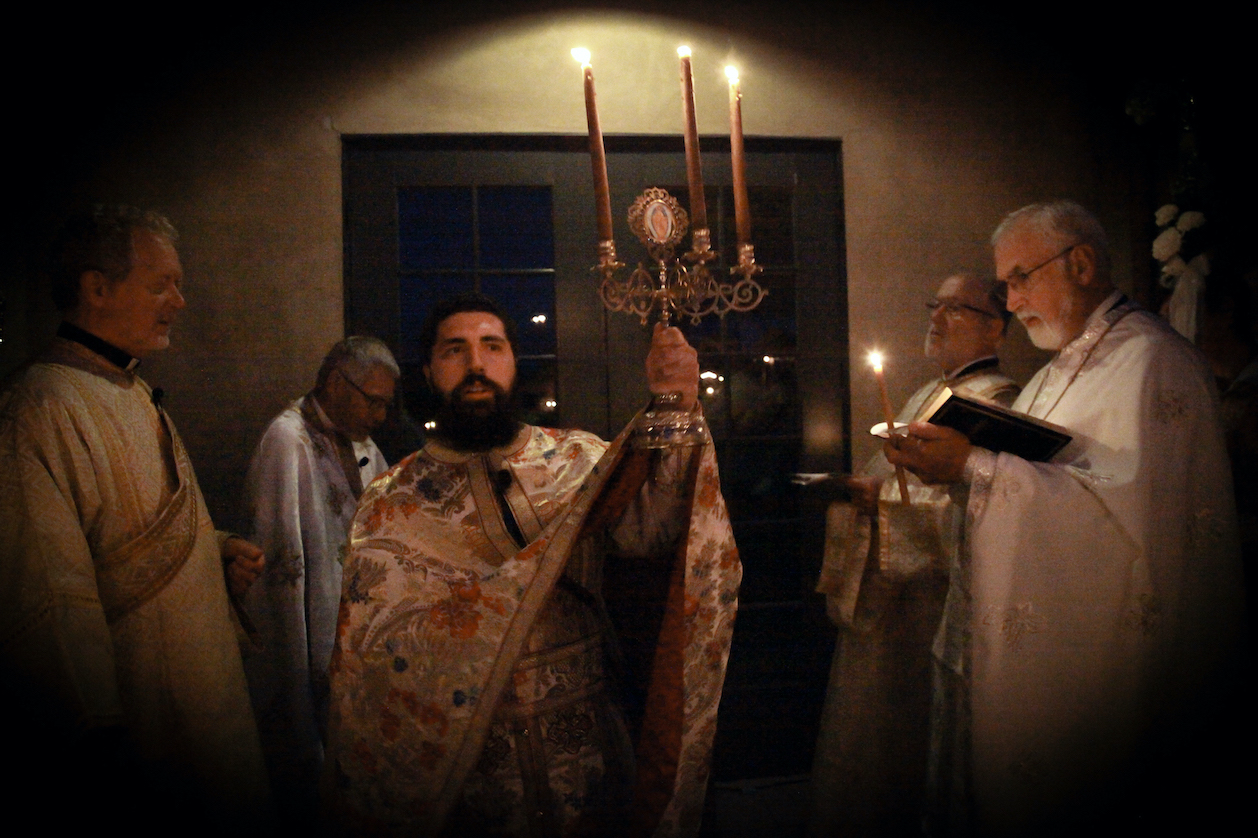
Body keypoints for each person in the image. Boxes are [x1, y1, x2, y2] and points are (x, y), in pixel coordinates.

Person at [321, 294, 741, 837]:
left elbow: (653, 534)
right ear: (428, 372)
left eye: (492, 347)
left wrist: (677, 405)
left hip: (589, 741)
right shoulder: (390, 501)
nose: (476, 364)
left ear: (514, 362)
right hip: (469, 761)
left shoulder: (578, 459)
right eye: (455, 350)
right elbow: (369, 667)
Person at [886, 202, 1245, 835]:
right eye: (1006, 285)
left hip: (1126, 671)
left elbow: (1127, 524)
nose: (1011, 300)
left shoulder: (1153, 361)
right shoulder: (1058, 369)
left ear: (1080, 264)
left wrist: (975, 467)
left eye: (1020, 278)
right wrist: (964, 466)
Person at [0, 205, 270, 830]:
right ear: (96, 288)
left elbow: (130, 531)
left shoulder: (134, 390)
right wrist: (97, 741)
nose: (179, 300)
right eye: (161, 284)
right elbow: (48, 597)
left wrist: (214, 549)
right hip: (142, 734)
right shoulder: (39, 408)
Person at [810, 274, 1019, 837]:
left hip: (931, 600)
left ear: (995, 328)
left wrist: (882, 502)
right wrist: (867, 491)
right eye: (936, 305)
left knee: (909, 733)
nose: (937, 317)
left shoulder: (997, 403)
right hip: (889, 596)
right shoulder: (929, 394)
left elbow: (982, 505)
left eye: (957, 308)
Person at [242, 335, 399, 823]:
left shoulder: (363, 442)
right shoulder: (287, 440)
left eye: (386, 405)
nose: (380, 417)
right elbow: (282, 554)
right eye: (373, 401)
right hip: (312, 619)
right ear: (335, 382)